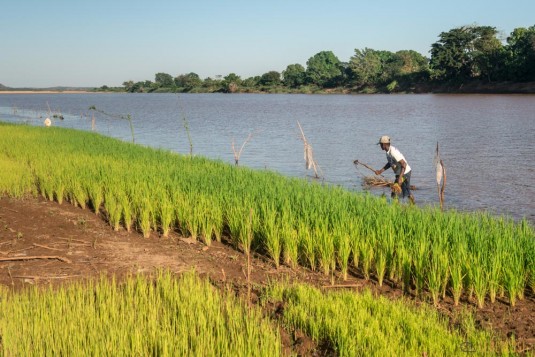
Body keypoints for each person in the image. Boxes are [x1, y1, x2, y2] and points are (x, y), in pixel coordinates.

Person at [374, 135, 415, 203]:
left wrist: (400, 177)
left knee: (395, 191)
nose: (380, 146)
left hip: (405, 173)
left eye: (380, 144)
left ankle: (399, 207)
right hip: (400, 173)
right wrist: (380, 171)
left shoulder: (393, 152)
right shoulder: (388, 152)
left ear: (384, 144)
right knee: (406, 191)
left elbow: (404, 164)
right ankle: (411, 206)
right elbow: (390, 163)